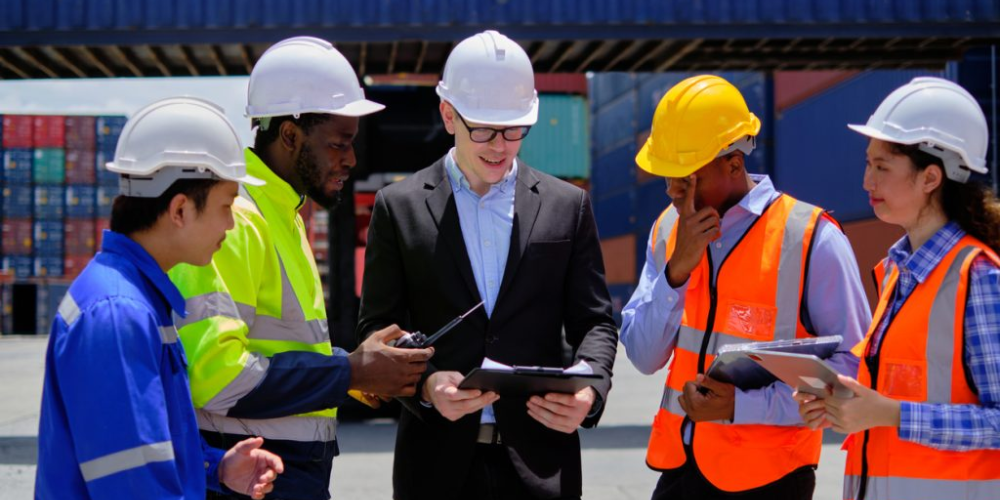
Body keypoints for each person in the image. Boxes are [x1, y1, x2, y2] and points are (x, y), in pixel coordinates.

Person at [167, 37, 433, 500]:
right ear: (290, 135)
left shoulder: (282, 214)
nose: (351, 159)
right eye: (339, 143)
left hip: (282, 475)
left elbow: (277, 346)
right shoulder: (239, 220)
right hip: (252, 477)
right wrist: (351, 373)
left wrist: (349, 369)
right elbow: (218, 377)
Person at [356, 30, 618, 500]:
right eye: (484, 130)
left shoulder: (568, 206)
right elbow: (378, 326)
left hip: (542, 465)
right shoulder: (398, 207)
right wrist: (425, 385)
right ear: (448, 114)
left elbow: (595, 321)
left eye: (514, 130)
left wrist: (590, 390)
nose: (500, 146)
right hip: (435, 468)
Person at [619, 74, 871, 500]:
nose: (673, 192)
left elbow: (855, 374)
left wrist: (742, 406)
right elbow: (644, 358)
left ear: (733, 164)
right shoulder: (667, 230)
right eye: (667, 178)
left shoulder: (810, 239)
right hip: (682, 471)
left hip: (772, 479)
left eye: (686, 178)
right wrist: (675, 274)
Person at [35, 97, 285, 499]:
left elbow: (145, 443)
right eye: (226, 205)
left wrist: (215, 466)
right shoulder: (119, 312)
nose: (232, 222)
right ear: (180, 210)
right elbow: (132, 481)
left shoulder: (136, 299)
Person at [796, 77, 1000, 500]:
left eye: (882, 167)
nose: (867, 181)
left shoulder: (980, 278)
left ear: (930, 178)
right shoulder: (897, 271)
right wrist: (842, 402)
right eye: (868, 164)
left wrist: (891, 415)